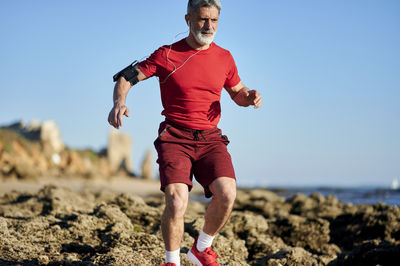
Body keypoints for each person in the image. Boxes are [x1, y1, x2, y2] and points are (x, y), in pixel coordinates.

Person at [108, 0, 262, 265]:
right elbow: (126, 78)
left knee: (227, 194)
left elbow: (237, 92)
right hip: (175, 136)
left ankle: (202, 248)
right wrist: (119, 102)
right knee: (178, 201)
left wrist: (250, 97)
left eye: (214, 20)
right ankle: (171, 261)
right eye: (202, 19)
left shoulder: (225, 57)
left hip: (211, 138)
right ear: (188, 19)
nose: (209, 26)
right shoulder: (167, 54)